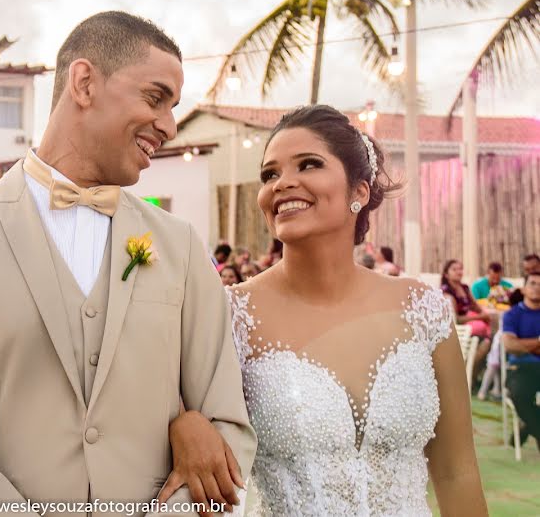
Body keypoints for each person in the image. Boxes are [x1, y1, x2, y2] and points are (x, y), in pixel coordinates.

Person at [0, 11, 256, 516]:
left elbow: (228, 426)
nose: (170, 126)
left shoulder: (179, 246)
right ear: (84, 83)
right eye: (155, 98)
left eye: (173, 108)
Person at [203, 105, 485, 515]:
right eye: (270, 173)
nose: (283, 184)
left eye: (309, 164)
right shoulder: (230, 315)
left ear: (360, 192)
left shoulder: (423, 310)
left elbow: (457, 470)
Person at [501, 271, 540, 450]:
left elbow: (517, 345)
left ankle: (529, 426)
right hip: (521, 368)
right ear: (523, 289)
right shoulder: (512, 314)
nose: (537, 287)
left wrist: (523, 344)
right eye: (532, 283)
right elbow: (510, 346)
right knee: (519, 395)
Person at [441, 259, 494, 380]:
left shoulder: (464, 288)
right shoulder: (446, 292)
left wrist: (484, 314)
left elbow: (475, 305)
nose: (459, 272)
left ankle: (471, 376)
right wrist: (480, 317)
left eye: (460, 269)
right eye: (454, 269)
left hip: (471, 326)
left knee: (488, 339)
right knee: (485, 341)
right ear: (446, 274)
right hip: (458, 330)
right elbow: (455, 319)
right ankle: (465, 375)